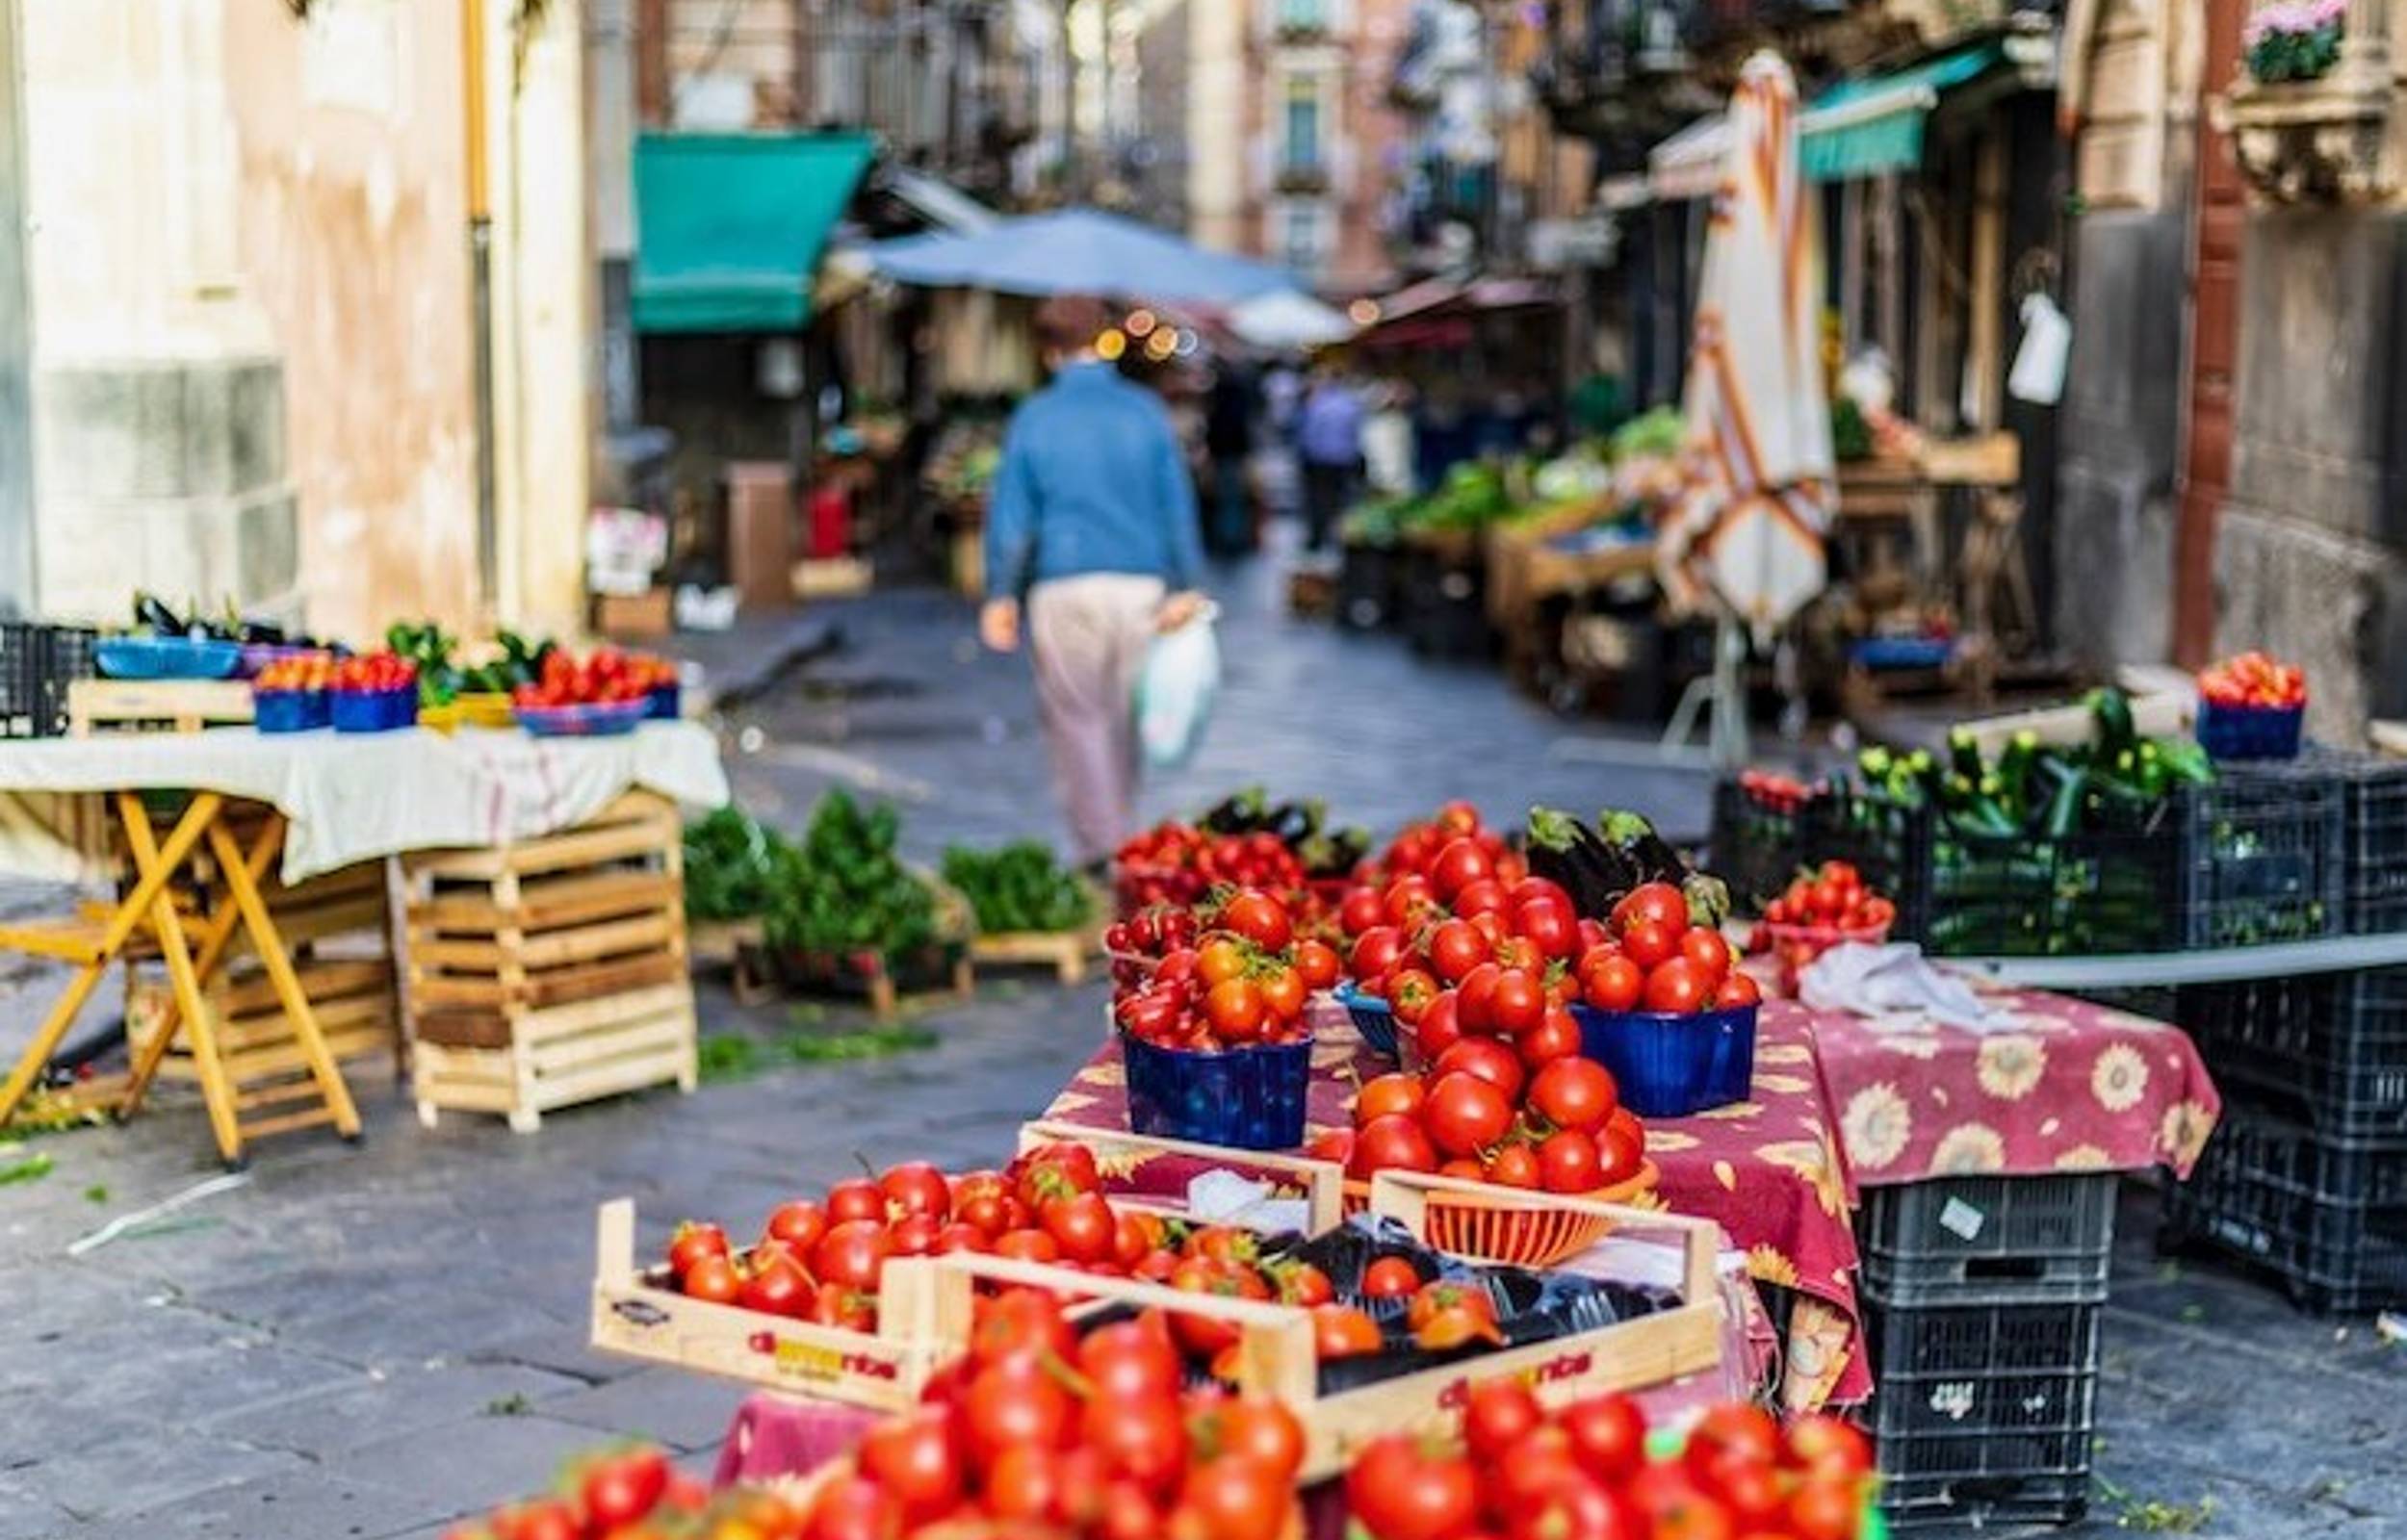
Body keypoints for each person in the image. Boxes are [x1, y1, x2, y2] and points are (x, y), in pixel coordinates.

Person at [980, 295, 1208, 867]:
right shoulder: (1144, 411)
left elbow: (1012, 517)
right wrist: (1187, 582)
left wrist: (1000, 592)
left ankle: (1101, 848)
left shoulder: (1035, 416)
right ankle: (1125, 837)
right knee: (1127, 716)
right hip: (1141, 586)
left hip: (1065, 584)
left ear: (1047, 349)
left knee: (1080, 719)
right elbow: (1175, 504)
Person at [1295, 359, 1364, 551]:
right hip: (1343, 459)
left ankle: (1319, 537)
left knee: (1318, 499)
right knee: (1340, 499)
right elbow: (1357, 433)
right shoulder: (1350, 404)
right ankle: (1339, 537)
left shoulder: (1318, 404)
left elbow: (1308, 434)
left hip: (1319, 460)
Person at [1203, 364, 1255, 555]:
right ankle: (1232, 538)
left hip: (1223, 457)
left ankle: (1227, 538)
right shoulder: (1236, 408)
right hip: (1232, 456)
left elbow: (1213, 433)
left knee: (1227, 499)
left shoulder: (1219, 408)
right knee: (1232, 500)